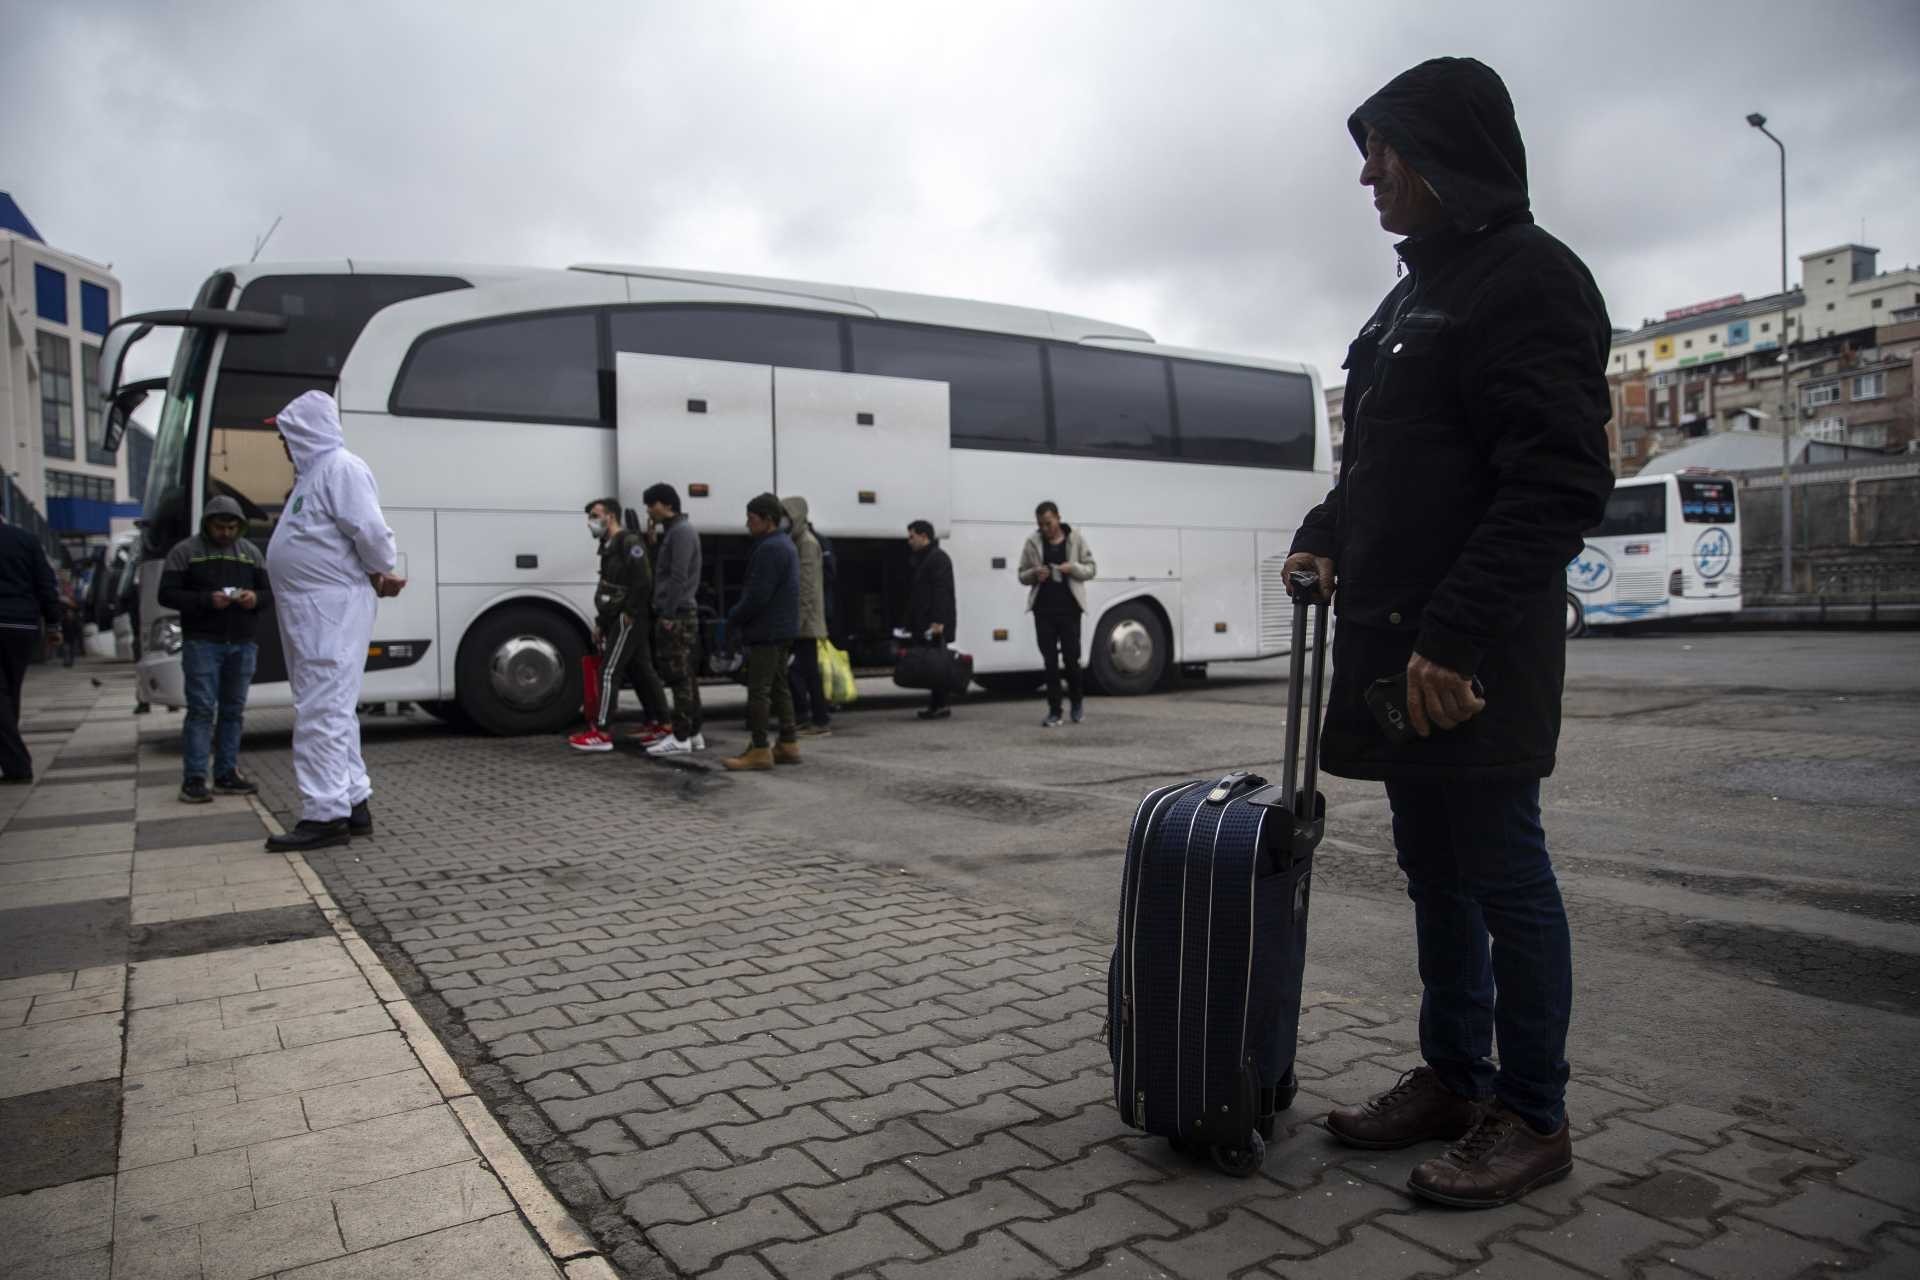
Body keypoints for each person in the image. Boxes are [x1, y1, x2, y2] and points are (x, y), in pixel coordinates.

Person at [1283, 58, 1613, 1209]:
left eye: (1383, 151)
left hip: (1467, 660)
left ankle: (1532, 1112)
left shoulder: (1530, 280)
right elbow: (1378, 464)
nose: (1367, 175)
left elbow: (1557, 482)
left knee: (1503, 872)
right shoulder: (1409, 297)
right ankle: (1457, 1075)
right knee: (1435, 872)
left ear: (1441, 154)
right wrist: (1322, 530)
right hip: (1396, 649)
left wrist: (1458, 638)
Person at [262, 390, 407, 851]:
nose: (281, 443)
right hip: (316, 609)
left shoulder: (339, 469)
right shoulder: (316, 475)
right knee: (332, 710)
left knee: (320, 711)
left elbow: (372, 534)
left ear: (304, 430)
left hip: (328, 610)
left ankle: (325, 814)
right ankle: (352, 802)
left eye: (285, 433)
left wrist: (378, 569)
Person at [157, 496, 271, 802]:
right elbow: (166, 595)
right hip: (202, 642)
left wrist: (254, 599)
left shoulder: (251, 553)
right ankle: (194, 779)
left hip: (242, 643)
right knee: (202, 710)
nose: (226, 532)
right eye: (220, 527)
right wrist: (207, 600)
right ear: (207, 524)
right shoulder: (185, 552)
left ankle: (226, 774)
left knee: (233, 711)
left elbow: (269, 593)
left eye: (232, 527)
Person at [569, 498, 671, 751]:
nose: (590, 522)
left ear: (611, 517)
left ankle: (601, 732)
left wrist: (629, 612)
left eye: (595, 515)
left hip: (629, 618)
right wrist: (601, 623)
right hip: (618, 617)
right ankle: (662, 723)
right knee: (642, 670)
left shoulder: (630, 543)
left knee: (608, 671)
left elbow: (643, 582)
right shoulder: (608, 546)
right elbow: (608, 588)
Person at [720, 493, 801, 771]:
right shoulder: (785, 543)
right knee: (779, 685)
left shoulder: (770, 548)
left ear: (767, 520)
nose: (747, 523)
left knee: (759, 690)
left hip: (767, 629)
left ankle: (758, 748)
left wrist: (734, 617)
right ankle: (788, 743)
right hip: (782, 628)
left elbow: (758, 595)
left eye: (751, 518)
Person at [1016, 501, 1096, 727]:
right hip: (1043, 610)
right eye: (1041, 524)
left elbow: (1092, 569)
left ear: (1058, 518)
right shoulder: (1033, 542)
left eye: (1049, 523)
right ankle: (1054, 711)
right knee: (1049, 661)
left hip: (1070, 609)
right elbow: (1021, 575)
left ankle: (1077, 704)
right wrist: (1034, 574)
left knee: (1071, 659)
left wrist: (1073, 568)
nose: (1045, 529)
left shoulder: (1075, 539)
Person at [642, 483, 707, 757]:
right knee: (687, 675)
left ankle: (680, 737)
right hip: (679, 611)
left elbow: (678, 575)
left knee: (678, 675)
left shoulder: (681, 533)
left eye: (651, 504)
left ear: (666, 504)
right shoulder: (676, 531)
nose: (648, 510)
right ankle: (693, 734)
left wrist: (667, 613)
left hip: (677, 613)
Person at [0, 514, 62, 784]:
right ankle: (11, 761)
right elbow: (45, 584)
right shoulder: (26, 540)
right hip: (21, 627)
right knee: (10, 692)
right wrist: (53, 624)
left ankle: (17, 764)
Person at [782, 495, 832, 738]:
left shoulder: (807, 543)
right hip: (803, 620)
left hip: (806, 622)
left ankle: (820, 720)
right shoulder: (796, 540)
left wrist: (797, 622)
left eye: (786, 514)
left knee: (808, 672)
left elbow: (807, 587)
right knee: (799, 671)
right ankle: (806, 716)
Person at [904, 519, 956, 721]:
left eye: (912, 536)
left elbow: (941, 591)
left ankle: (941, 704)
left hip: (934, 621)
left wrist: (938, 621)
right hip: (926, 619)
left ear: (924, 536)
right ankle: (937, 704)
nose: (909, 541)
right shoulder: (926, 558)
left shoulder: (937, 559)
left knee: (936, 661)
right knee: (933, 661)